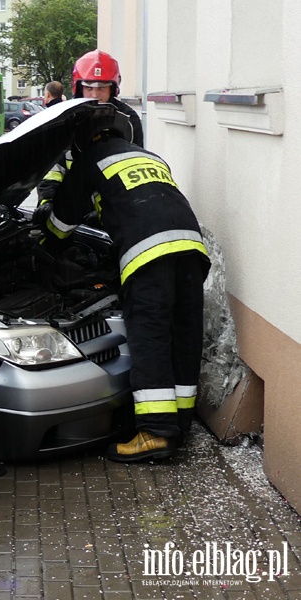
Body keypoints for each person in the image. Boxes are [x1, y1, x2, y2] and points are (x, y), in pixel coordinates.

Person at [40, 107, 209, 463]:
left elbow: (62, 224)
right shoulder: (150, 157)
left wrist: (42, 247)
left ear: (84, 141)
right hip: (191, 247)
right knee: (184, 333)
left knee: (150, 335)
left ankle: (155, 433)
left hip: (148, 254)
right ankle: (179, 422)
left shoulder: (90, 162)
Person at [34, 49, 144, 222]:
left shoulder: (129, 119)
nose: (94, 94)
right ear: (78, 88)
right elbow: (51, 168)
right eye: (88, 87)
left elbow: (135, 168)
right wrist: (47, 201)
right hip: (69, 202)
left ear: (113, 88)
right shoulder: (65, 118)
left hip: (113, 206)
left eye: (102, 88)